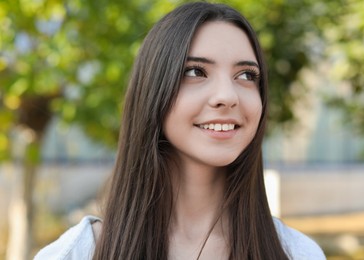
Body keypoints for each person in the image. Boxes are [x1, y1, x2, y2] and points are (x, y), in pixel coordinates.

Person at [35, 2, 326, 259]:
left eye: (246, 75)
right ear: (152, 91)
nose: (228, 95)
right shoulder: (76, 254)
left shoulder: (298, 253)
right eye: (196, 72)